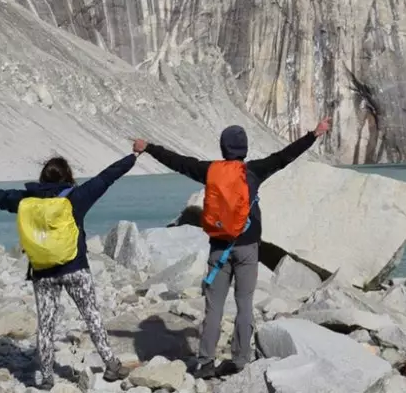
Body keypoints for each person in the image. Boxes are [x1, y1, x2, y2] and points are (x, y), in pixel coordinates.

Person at [136, 119, 329, 379]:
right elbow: (285, 156)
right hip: (248, 247)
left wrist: (149, 147)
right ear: (245, 149)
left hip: (219, 248)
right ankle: (239, 360)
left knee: (213, 307)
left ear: (223, 148)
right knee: (244, 304)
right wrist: (313, 135)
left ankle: (205, 362)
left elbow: (177, 161)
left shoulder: (209, 170)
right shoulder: (255, 171)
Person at [0, 144, 143, 389]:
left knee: (46, 324)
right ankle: (111, 364)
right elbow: (107, 177)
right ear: (68, 177)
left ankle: (46, 377)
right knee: (92, 316)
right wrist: (134, 157)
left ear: (42, 178)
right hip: (75, 268)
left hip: (43, 272)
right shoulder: (78, 197)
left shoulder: (26, 200)